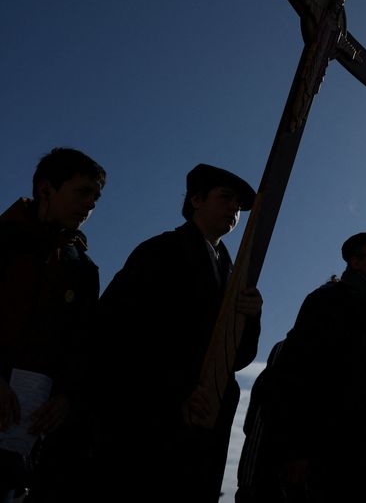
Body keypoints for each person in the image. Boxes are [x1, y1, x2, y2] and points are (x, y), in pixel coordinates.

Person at [96, 164, 262, 503]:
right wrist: (177, 390)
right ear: (196, 200)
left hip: (207, 418)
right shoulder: (160, 252)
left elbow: (239, 356)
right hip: (149, 415)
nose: (234, 209)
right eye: (226, 197)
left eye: (240, 206)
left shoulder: (234, 274)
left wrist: (251, 316)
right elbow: (119, 330)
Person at [242, 232, 366, 503]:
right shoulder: (330, 302)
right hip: (325, 451)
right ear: (355, 261)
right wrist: (298, 450)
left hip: (364, 452)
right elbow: (298, 375)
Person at [0, 148, 105, 502]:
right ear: (46, 189)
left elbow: (84, 347)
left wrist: (66, 397)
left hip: (32, 435)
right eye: (82, 192)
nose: (90, 204)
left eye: (96, 196)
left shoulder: (83, 270)